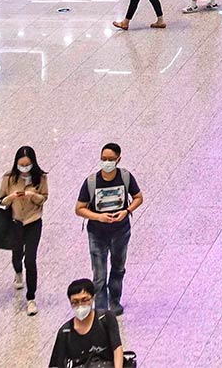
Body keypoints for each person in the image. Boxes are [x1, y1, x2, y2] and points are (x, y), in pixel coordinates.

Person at [75, 142, 142, 315]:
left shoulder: (125, 177)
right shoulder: (91, 182)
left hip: (121, 231)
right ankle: (101, 308)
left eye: (111, 159)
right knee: (99, 274)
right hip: (97, 233)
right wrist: (98, 217)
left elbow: (138, 197)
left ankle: (115, 300)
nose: (107, 162)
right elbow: (79, 208)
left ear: (118, 159)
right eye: (103, 158)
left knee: (118, 267)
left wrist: (127, 211)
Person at [2, 145, 50, 315]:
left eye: (27, 165)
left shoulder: (41, 177)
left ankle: (31, 298)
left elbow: (44, 198)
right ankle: (18, 272)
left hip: (33, 222)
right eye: (21, 165)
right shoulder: (9, 178)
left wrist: (32, 195)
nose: (24, 168)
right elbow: (2, 201)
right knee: (17, 255)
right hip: (15, 222)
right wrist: (12, 196)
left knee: (30, 259)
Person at [49, 278, 124, 367]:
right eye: (75, 302)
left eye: (84, 300)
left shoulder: (106, 318)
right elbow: (56, 363)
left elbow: (117, 348)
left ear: (93, 298)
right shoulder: (65, 332)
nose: (80, 305)